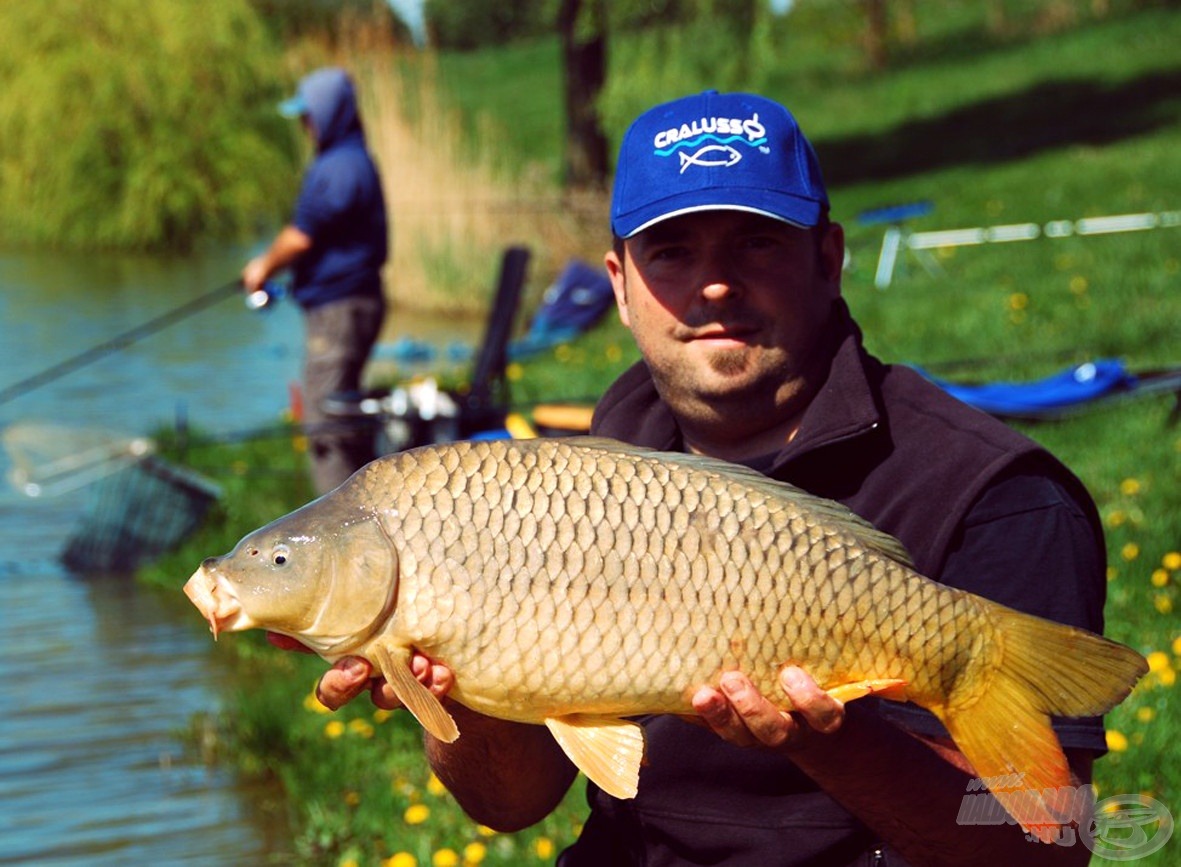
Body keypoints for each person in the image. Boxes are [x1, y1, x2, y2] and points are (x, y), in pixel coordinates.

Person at [290, 91, 1109, 865]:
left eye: (754, 241)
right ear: (618, 285)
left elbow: (1050, 844)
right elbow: (510, 804)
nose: (713, 282)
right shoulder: (581, 471)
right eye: (672, 251)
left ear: (827, 257)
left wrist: (838, 743)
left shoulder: (992, 493)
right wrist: (462, 688)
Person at [243, 66, 388, 495]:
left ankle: (337, 530)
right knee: (339, 417)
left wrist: (261, 268)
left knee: (325, 430)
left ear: (329, 115)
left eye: (309, 116)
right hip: (348, 303)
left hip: (340, 310)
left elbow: (300, 237)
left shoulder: (338, 168)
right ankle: (359, 512)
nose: (305, 126)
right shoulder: (351, 159)